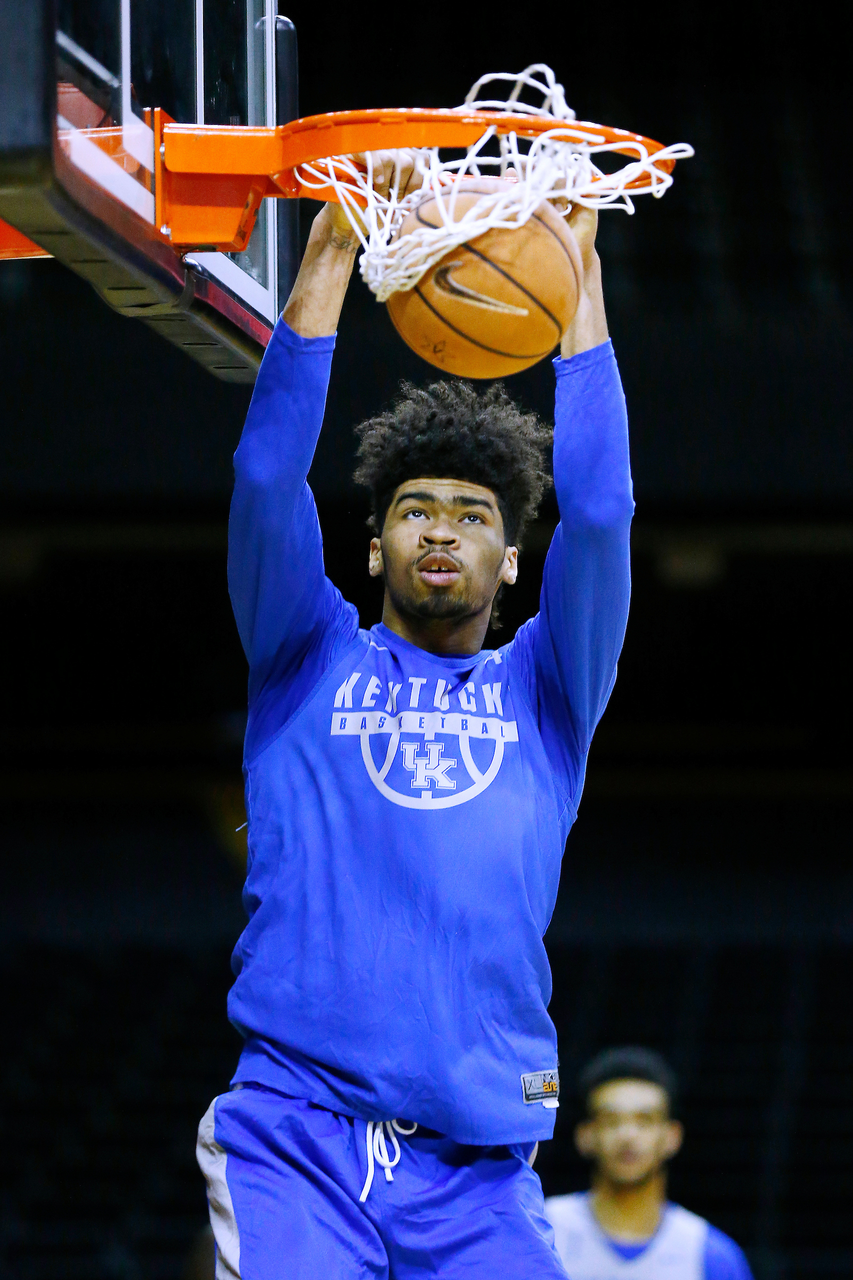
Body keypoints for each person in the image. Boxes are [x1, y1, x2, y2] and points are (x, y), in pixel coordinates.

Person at [195, 153, 633, 1278]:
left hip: (483, 1166)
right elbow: (260, 479)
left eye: (474, 514)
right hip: (299, 1138)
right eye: (414, 509)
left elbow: (601, 510)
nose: (442, 528)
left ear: (512, 557)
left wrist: (578, 281)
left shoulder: (548, 688)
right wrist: (334, 249)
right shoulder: (304, 649)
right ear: (372, 542)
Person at [544, 1047, 754, 1279]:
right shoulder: (540, 1231)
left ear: (673, 1136)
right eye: (611, 1121)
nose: (628, 1135)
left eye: (645, 1121)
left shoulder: (711, 1255)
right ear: (585, 1136)